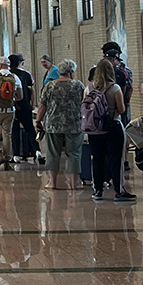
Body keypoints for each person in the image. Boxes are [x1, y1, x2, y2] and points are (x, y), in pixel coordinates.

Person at [85, 58, 134, 201]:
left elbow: (87, 108)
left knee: (97, 159)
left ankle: (98, 190)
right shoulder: (115, 88)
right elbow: (121, 109)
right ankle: (119, 191)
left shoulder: (89, 88)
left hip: (94, 129)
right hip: (112, 126)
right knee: (116, 159)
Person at [35, 59, 84, 190]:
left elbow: (42, 106)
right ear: (71, 72)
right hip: (74, 124)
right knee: (74, 153)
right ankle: (75, 182)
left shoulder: (50, 86)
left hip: (53, 124)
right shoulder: (78, 85)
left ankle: (52, 182)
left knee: (53, 153)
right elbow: (85, 103)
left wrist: (38, 121)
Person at [9, 55, 40, 164]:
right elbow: (32, 90)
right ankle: (37, 151)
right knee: (29, 128)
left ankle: (16, 155)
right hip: (25, 104)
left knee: (14, 129)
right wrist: (32, 103)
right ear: (19, 62)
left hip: (11, 106)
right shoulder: (27, 74)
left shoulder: (7, 75)